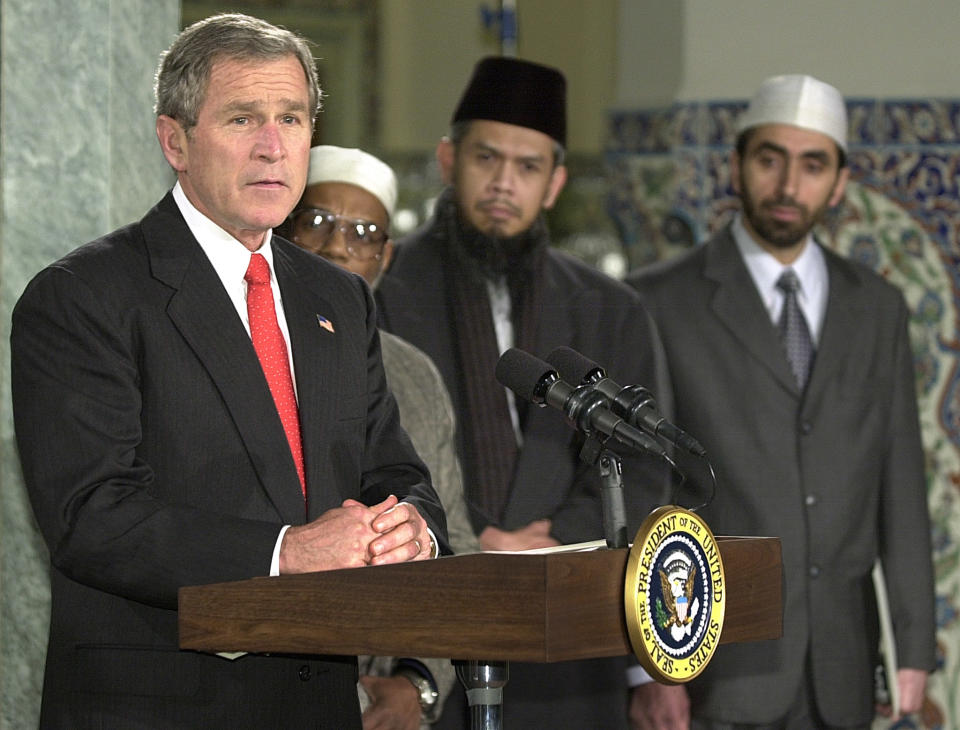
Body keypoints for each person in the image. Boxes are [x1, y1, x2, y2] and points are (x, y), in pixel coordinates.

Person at [10, 14, 447, 729]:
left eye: (293, 119)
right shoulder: (84, 296)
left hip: (318, 704)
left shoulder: (339, 299)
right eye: (243, 118)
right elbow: (91, 515)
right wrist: (286, 552)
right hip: (162, 708)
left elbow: (395, 469)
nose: (273, 147)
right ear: (174, 141)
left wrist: (413, 529)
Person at [627, 74, 936, 729]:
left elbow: (901, 487)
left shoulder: (877, 309)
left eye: (812, 165)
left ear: (840, 183)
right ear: (737, 167)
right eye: (770, 160)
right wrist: (650, 665)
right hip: (715, 667)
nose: (789, 186)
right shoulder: (660, 302)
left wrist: (913, 650)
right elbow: (642, 492)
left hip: (843, 672)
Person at [376, 56, 669, 729]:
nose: (504, 183)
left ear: (556, 182)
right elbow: (375, 448)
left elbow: (645, 463)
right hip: (436, 639)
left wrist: (559, 542)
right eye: (487, 157)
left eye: (528, 166)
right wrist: (473, 540)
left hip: (570, 636)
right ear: (449, 160)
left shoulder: (611, 308)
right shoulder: (383, 295)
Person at [286, 144, 482, 730]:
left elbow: (455, 548)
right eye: (319, 222)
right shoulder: (244, 347)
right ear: (285, 229)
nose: (338, 246)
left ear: (385, 257)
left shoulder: (414, 378)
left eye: (364, 232)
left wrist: (418, 684)